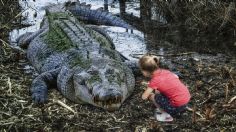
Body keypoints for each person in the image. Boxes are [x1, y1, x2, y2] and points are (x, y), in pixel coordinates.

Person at [139, 54, 191, 122]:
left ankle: (166, 115)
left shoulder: (154, 81)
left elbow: (144, 97)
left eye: (141, 70)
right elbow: (176, 77)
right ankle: (174, 108)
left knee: (152, 96)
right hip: (186, 100)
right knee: (158, 91)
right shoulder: (165, 71)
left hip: (176, 107)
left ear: (145, 71)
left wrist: (148, 89)